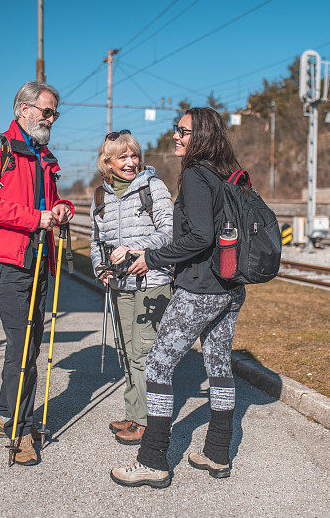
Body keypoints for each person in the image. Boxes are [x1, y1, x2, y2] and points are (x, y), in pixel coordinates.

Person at [110, 107, 247, 488]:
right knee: (219, 366)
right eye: (176, 129)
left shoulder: (198, 176)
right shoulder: (226, 172)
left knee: (157, 366)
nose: (175, 136)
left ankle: (153, 459)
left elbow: (200, 236)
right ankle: (217, 454)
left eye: (182, 130)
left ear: (200, 135)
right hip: (230, 287)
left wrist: (150, 257)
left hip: (201, 287)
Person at [0, 80, 74, 466]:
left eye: (54, 114)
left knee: (27, 342)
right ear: (22, 109)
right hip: (7, 260)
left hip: (40, 259)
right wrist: (36, 219)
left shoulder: (43, 155)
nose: (51, 119)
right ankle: (21, 431)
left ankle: (5, 411)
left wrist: (63, 209)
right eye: (46, 111)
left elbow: (51, 201)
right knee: (25, 341)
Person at [90, 130, 174, 445]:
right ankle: (133, 412)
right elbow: (98, 243)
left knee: (144, 352)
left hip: (153, 281)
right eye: (122, 157)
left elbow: (169, 233)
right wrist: (100, 268)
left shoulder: (153, 187)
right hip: (121, 284)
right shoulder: (100, 196)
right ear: (107, 162)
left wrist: (135, 250)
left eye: (134, 155)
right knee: (126, 351)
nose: (130, 162)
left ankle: (147, 422)